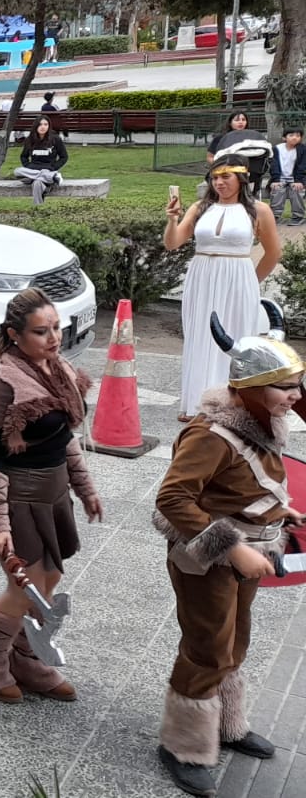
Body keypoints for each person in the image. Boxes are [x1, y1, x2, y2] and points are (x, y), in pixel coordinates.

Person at [152, 308, 302, 797]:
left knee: (234, 640)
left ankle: (226, 724)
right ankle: (183, 746)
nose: (295, 396)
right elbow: (173, 499)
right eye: (285, 387)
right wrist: (233, 550)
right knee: (206, 648)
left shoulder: (261, 422)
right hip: (208, 559)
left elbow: (242, 487)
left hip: (251, 549)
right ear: (250, 388)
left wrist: (280, 513)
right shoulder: (209, 435)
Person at [0, 288, 101, 704]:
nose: (54, 338)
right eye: (42, 331)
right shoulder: (1, 384)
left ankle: (25, 658)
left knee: (51, 578)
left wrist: (85, 488)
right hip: (17, 496)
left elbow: (64, 438)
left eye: (56, 327)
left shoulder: (57, 368)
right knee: (26, 587)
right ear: (14, 334)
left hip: (53, 492)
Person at [165, 149, 282, 421]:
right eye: (215, 177)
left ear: (242, 178)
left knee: (234, 338)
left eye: (226, 177)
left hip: (238, 277)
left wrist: (251, 282)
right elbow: (172, 243)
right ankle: (197, 402)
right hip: (201, 277)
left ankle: (231, 403)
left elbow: (273, 252)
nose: (219, 183)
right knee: (200, 335)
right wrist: (172, 219)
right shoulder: (200, 207)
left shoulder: (258, 210)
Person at [13, 116, 69, 206]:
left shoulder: (55, 139)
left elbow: (64, 157)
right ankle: (52, 177)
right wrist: (28, 166)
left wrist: (53, 167)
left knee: (37, 183)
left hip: (47, 169)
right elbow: (23, 156)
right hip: (33, 171)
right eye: (40, 124)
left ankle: (38, 208)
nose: (43, 127)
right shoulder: (30, 140)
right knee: (17, 171)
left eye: (45, 124)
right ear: (36, 126)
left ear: (49, 126)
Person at [207, 111, 266, 195]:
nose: (241, 122)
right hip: (225, 171)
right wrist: (220, 165)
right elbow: (210, 157)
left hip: (249, 174)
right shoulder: (220, 138)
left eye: (243, 120)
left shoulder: (253, 138)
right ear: (230, 122)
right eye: (237, 120)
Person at [267, 127, 306, 226]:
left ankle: (298, 217)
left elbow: (302, 166)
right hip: (279, 178)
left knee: (296, 189)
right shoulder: (276, 149)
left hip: (297, 179)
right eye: (291, 135)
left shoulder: (303, 149)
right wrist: (275, 179)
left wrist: (298, 180)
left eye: (298, 136)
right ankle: (275, 216)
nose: (295, 138)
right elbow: (273, 165)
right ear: (284, 138)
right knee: (277, 189)